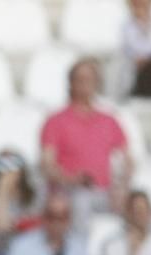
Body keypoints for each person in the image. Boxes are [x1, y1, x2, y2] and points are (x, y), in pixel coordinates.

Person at [40, 60, 131, 218]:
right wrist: (71, 179)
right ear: (71, 83)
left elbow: (127, 160)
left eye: (89, 79)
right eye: (80, 79)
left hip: (106, 192)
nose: (85, 84)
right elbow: (47, 164)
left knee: (137, 204)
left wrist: (121, 188)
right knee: (82, 200)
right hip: (71, 192)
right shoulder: (55, 121)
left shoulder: (109, 120)